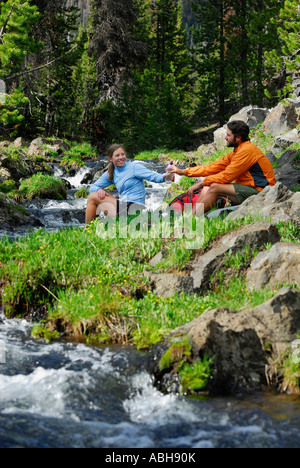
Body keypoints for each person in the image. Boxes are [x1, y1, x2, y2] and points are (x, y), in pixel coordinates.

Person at [169, 120, 276, 215]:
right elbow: (212, 167)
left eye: (228, 135)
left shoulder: (247, 151)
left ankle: (190, 220)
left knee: (214, 187)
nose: (225, 137)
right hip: (248, 189)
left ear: (238, 137)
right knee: (207, 187)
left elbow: (226, 176)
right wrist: (182, 171)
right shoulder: (237, 152)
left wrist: (201, 183)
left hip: (262, 192)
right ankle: (191, 216)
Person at [85, 144, 171, 224]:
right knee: (96, 195)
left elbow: (154, 176)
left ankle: (87, 229)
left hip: (134, 208)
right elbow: (93, 187)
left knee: (93, 197)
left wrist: (167, 176)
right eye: (117, 155)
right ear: (110, 159)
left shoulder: (134, 167)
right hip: (124, 207)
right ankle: (92, 227)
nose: (121, 157)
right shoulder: (111, 172)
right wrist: (99, 190)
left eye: (122, 154)